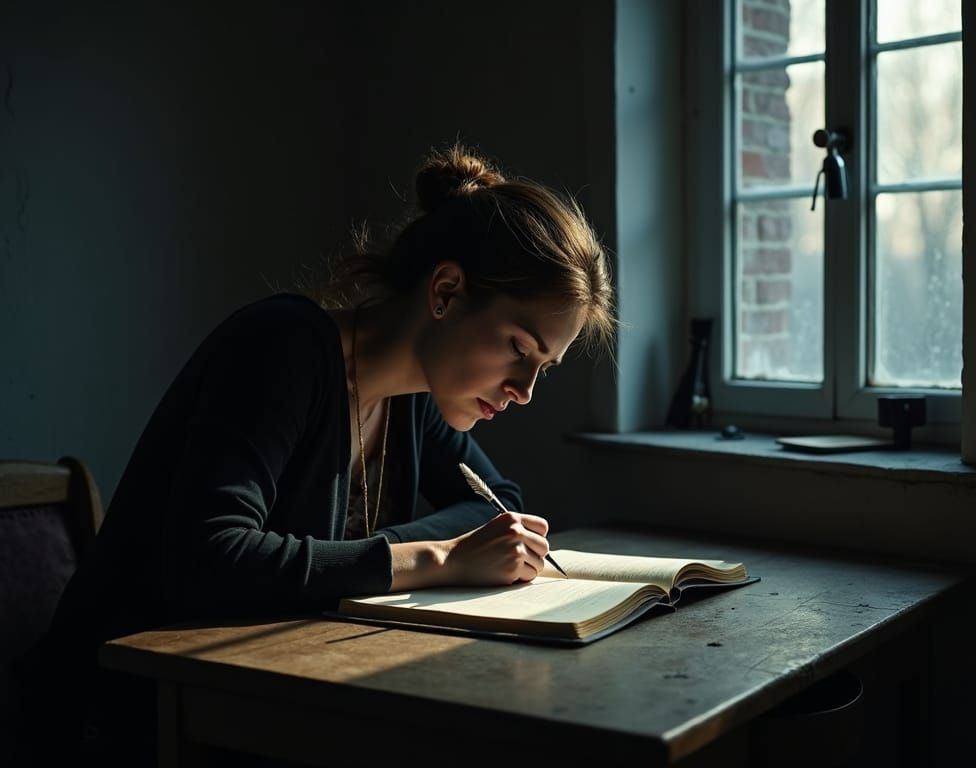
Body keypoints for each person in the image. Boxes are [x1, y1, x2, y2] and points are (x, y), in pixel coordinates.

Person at [25, 144, 615, 765]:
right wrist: (435, 558)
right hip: (127, 716)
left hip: (265, 693)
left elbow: (498, 507)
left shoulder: (416, 396)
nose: (524, 392)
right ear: (445, 291)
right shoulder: (282, 349)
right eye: (519, 348)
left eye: (543, 369)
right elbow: (210, 558)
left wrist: (421, 556)